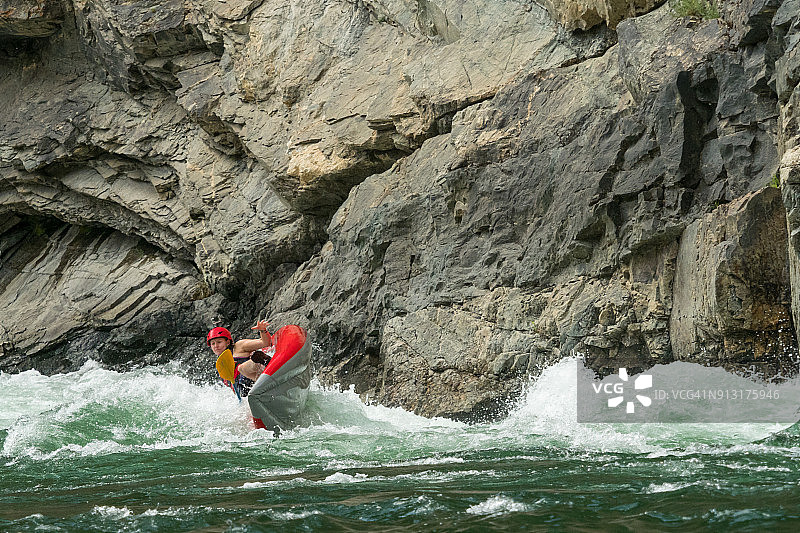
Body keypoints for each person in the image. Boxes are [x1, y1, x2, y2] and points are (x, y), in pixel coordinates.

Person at [207, 320, 273, 396]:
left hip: (260, 377)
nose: (216, 346)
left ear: (228, 342)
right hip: (248, 393)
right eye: (213, 344)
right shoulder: (221, 366)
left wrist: (262, 330)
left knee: (241, 368)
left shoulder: (239, 346)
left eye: (219, 342)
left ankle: (264, 360)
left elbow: (265, 343)